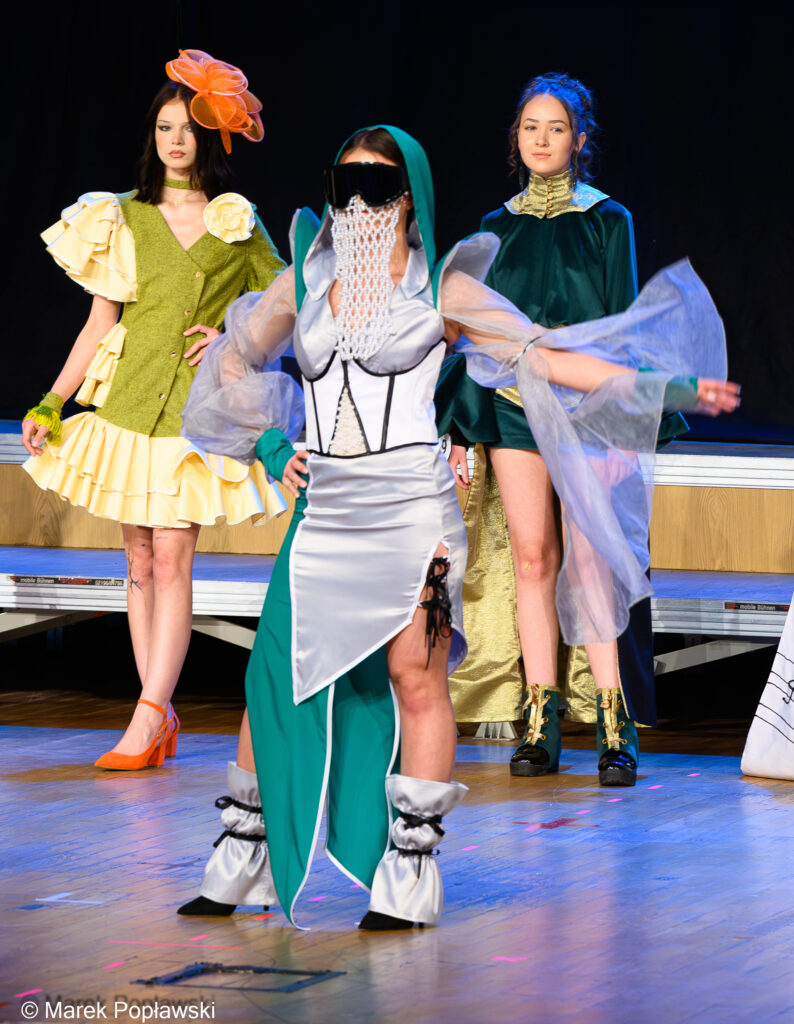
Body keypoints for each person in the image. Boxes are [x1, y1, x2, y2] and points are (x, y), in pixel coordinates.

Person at [177, 124, 737, 930]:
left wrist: (668, 389)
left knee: (415, 674)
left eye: (376, 185)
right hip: (324, 511)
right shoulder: (306, 279)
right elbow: (233, 358)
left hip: (412, 511)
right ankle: (244, 858)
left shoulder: (443, 289)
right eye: (344, 185)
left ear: (409, 198)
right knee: (275, 676)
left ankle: (408, 872)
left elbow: (547, 357)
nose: (358, 203)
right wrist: (270, 441)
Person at [21, 50, 287, 770]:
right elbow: (98, 323)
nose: (176, 140)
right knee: (138, 556)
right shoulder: (123, 216)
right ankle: (156, 710)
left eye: (189, 128)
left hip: (194, 414)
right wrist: (52, 401)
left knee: (172, 555)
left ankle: (146, 715)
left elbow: (287, 297)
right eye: (165, 127)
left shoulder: (235, 221)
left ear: (211, 138)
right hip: (129, 404)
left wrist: (233, 333)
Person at [438, 73, 685, 785]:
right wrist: (461, 429)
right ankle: (539, 721)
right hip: (513, 407)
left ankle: (613, 722)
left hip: (585, 413)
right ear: (515, 137)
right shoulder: (495, 226)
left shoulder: (609, 219)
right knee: (532, 557)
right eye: (530, 127)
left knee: (591, 562)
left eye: (555, 128)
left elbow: (620, 330)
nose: (541, 139)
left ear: (580, 139)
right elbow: (475, 333)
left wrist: (617, 430)